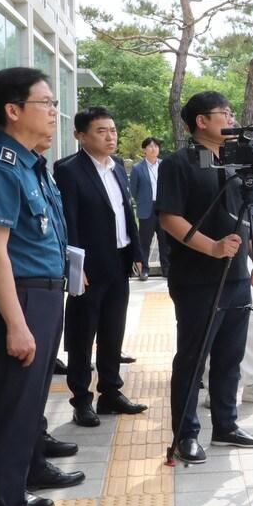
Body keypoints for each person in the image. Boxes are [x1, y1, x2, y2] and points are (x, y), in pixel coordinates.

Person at [0, 68, 83, 506]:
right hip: (21, 302)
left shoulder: (30, 163)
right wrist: (16, 325)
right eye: (46, 102)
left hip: (42, 296)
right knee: (12, 424)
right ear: (13, 110)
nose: (54, 111)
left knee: (27, 420)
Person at [156, 91, 253, 465]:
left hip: (236, 276)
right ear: (201, 121)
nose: (232, 119)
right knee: (192, 357)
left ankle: (226, 425)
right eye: (225, 113)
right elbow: (169, 217)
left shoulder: (236, 163)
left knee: (229, 357)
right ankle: (185, 434)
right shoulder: (178, 163)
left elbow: (247, 214)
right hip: (197, 277)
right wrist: (213, 247)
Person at [54, 107, 148, 428]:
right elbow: (70, 221)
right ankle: (81, 399)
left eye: (113, 130)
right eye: (101, 131)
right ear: (80, 135)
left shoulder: (118, 167)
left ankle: (111, 392)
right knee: (82, 334)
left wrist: (136, 251)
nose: (111, 137)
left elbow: (125, 211)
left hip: (119, 261)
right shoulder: (68, 170)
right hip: (89, 266)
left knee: (113, 331)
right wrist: (75, 266)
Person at [128, 137, 169, 280]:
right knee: (144, 241)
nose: (154, 149)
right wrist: (141, 201)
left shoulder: (164, 165)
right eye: (150, 147)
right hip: (146, 207)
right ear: (144, 150)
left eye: (156, 146)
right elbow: (133, 189)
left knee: (165, 240)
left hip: (163, 206)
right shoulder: (137, 168)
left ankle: (166, 269)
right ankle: (144, 269)